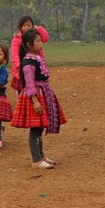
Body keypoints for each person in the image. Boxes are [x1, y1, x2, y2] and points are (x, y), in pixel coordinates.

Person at [11, 29, 66, 169]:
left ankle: (40, 156)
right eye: (38, 41)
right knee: (36, 128)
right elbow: (29, 83)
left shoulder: (37, 58)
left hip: (42, 93)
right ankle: (36, 159)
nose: (41, 43)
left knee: (40, 127)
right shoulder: (29, 62)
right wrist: (35, 101)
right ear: (29, 44)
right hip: (35, 97)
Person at [10, 16, 50, 91]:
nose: (26, 27)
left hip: (36, 65)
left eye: (29, 25)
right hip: (23, 67)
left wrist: (38, 28)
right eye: (24, 25)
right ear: (20, 27)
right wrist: (19, 68)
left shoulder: (35, 36)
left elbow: (45, 38)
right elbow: (14, 55)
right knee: (23, 90)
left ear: (32, 26)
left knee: (37, 85)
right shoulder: (16, 39)